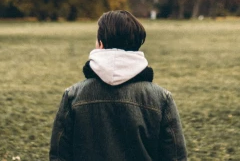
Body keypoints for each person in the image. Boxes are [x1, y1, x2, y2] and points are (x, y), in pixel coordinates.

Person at [49, 10, 188, 161]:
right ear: (136, 45)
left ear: (100, 44)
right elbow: (175, 157)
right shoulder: (161, 99)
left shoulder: (73, 96)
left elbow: (59, 156)